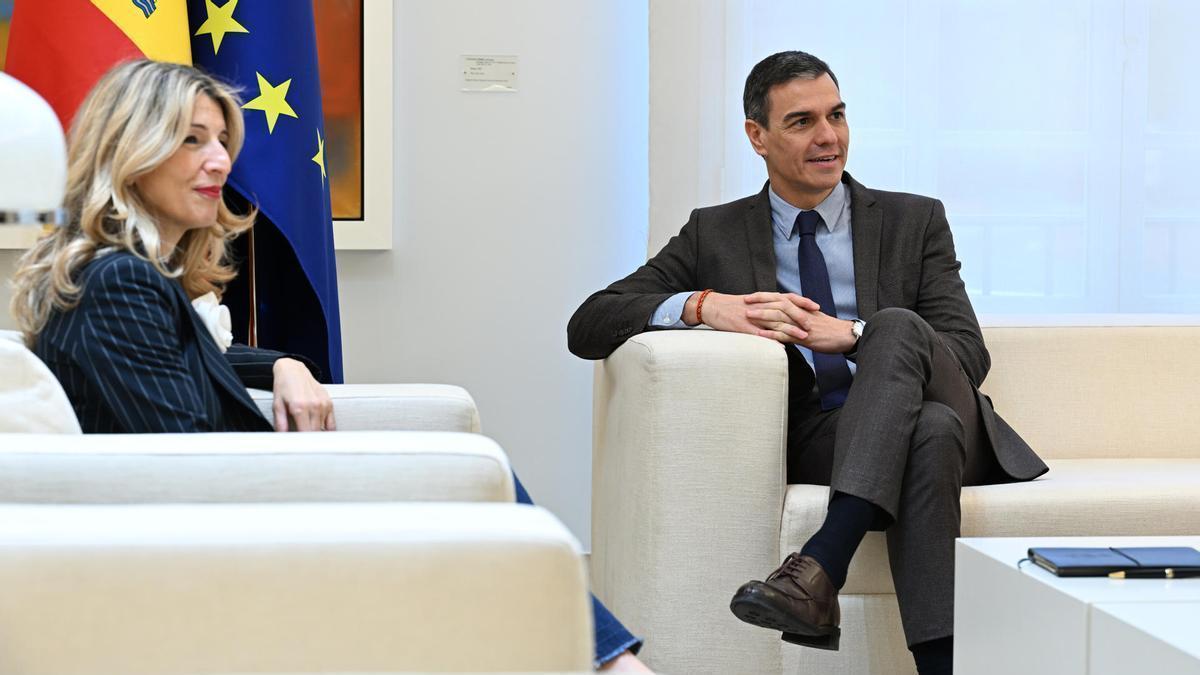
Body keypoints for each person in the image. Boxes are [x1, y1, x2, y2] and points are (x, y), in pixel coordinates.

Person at [10, 59, 648, 673]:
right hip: (205, 534)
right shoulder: (119, 282)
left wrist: (282, 361)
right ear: (131, 152)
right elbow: (188, 460)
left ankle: (604, 661)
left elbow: (180, 355)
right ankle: (610, 662)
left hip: (221, 509)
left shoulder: (122, 277)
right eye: (190, 140)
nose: (219, 161)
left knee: (477, 477)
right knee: (480, 476)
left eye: (222, 140)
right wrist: (330, 473)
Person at [567, 51, 1048, 675]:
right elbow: (590, 322)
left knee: (898, 328)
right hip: (829, 433)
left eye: (837, 115)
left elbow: (965, 353)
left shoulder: (914, 220)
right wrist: (703, 305)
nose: (828, 137)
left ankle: (820, 562)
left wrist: (853, 336)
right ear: (757, 137)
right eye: (802, 122)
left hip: (952, 406)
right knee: (928, 433)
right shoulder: (714, 233)